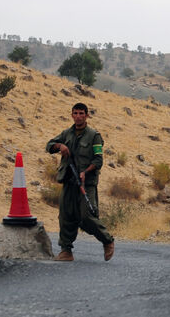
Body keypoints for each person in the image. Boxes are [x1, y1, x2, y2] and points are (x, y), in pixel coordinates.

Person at [46, 102, 115, 262]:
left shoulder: (94, 136)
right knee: (65, 215)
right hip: (69, 181)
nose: (78, 116)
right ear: (72, 115)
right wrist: (60, 146)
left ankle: (107, 240)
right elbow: (49, 146)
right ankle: (66, 250)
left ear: (87, 115)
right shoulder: (66, 133)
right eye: (75, 113)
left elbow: (98, 160)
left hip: (86, 183)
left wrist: (86, 172)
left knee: (86, 216)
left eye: (81, 114)